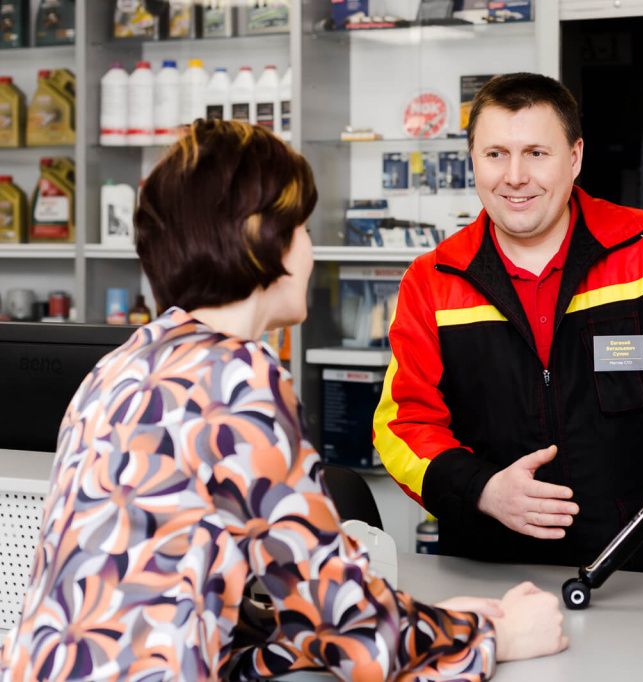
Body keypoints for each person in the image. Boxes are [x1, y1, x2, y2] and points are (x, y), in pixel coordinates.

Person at [0, 120, 567, 682]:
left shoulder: (123, 365)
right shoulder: (236, 381)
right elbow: (353, 633)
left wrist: (430, 623)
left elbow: (204, 616)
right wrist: (497, 634)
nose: (311, 252)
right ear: (261, 239)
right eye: (302, 230)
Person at [373, 72, 643, 577]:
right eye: (495, 154)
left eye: (536, 153)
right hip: (490, 573)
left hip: (642, 568)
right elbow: (403, 424)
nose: (515, 176)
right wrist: (481, 488)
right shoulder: (432, 280)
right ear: (472, 159)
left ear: (576, 157)